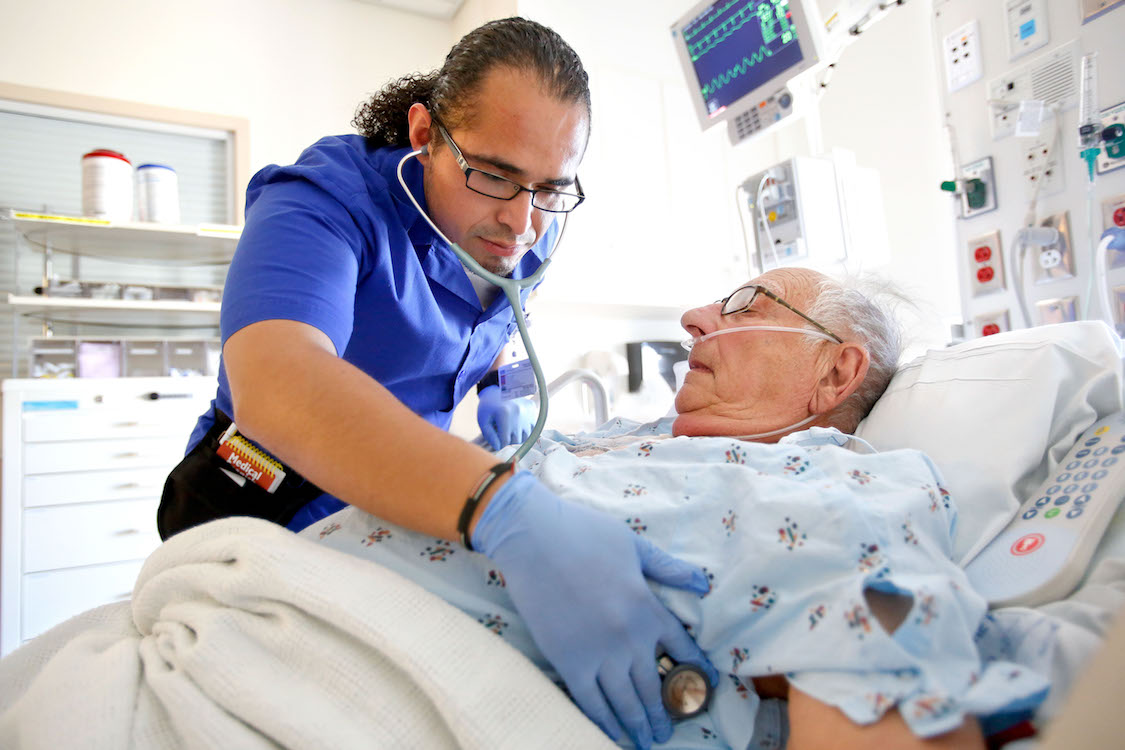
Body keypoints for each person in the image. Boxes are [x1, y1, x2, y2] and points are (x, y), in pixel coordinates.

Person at [156, 17, 714, 750]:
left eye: (550, 188)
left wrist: (497, 391)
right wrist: (504, 508)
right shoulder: (323, 201)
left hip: (399, 505)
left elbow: (493, 329)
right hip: (262, 495)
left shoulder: (524, 233)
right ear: (424, 133)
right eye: (492, 175)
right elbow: (278, 382)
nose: (519, 222)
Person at [306, 268, 1050, 749]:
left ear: (835, 371)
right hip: (280, 594)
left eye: (743, 306)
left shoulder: (833, 487)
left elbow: (885, 687)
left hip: (331, 685)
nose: (694, 317)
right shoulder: (626, 438)